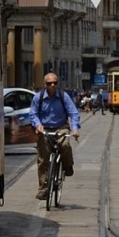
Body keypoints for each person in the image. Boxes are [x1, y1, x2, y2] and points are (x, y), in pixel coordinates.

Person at [29, 72, 81, 200]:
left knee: (64, 144)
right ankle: (43, 188)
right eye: (49, 83)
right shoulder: (38, 97)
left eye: (55, 83)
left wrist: (74, 129)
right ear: (44, 84)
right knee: (42, 159)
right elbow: (33, 114)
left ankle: (68, 165)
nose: (52, 85)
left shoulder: (63, 96)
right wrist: (38, 125)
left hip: (61, 127)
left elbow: (74, 113)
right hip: (44, 129)